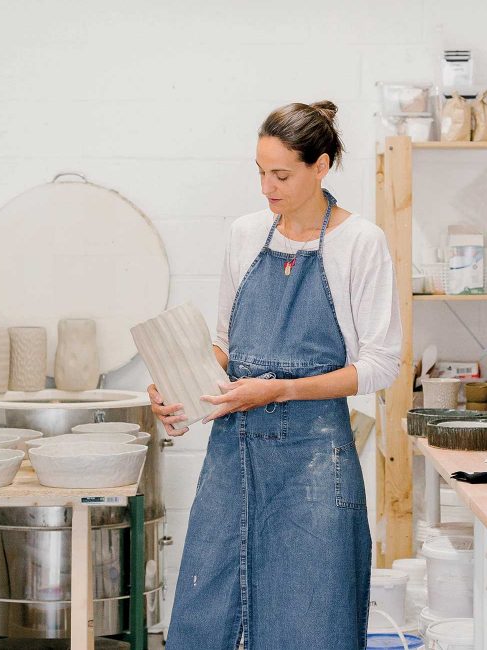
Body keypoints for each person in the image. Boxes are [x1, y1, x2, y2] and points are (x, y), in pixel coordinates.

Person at [149, 100, 402, 650]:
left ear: (322, 165)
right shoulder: (244, 235)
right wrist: (177, 386)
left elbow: (380, 365)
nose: (268, 187)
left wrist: (281, 390)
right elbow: (223, 346)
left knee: (310, 620)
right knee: (208, 610)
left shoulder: (360, 242)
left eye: (281, 174)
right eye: (261, 172)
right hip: (232, 454)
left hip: (314, 459)